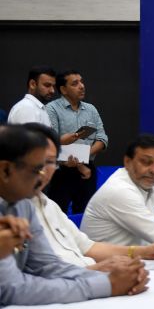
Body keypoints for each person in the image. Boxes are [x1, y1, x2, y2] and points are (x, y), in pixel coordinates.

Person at [0, 125, 148, 305]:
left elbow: (48, 266)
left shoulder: (24, 203)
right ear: (6, 170)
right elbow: (12, 288)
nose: (43, 176)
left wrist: (119, 278)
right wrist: (108, 284)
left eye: (50, 164)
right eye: (36, 169)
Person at [24, 122, 154, 267]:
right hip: (80, 281)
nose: (43, 171)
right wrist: (98, 272)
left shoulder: (48, 205)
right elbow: (41, 276)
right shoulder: (13, 213)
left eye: (50, 162)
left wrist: (143, 252)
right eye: (36, 163)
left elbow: (89, 247)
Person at [45, 69, 108, 212]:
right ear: (63, 89)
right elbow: (52, 140)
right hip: (62, 170)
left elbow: (102, 138)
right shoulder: (52, 109)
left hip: (87, 170)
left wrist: (84, 156)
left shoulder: (91, 109)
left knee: (85, 215)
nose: (82, 86)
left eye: (81, 81)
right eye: (75, 83)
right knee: (58, 214)